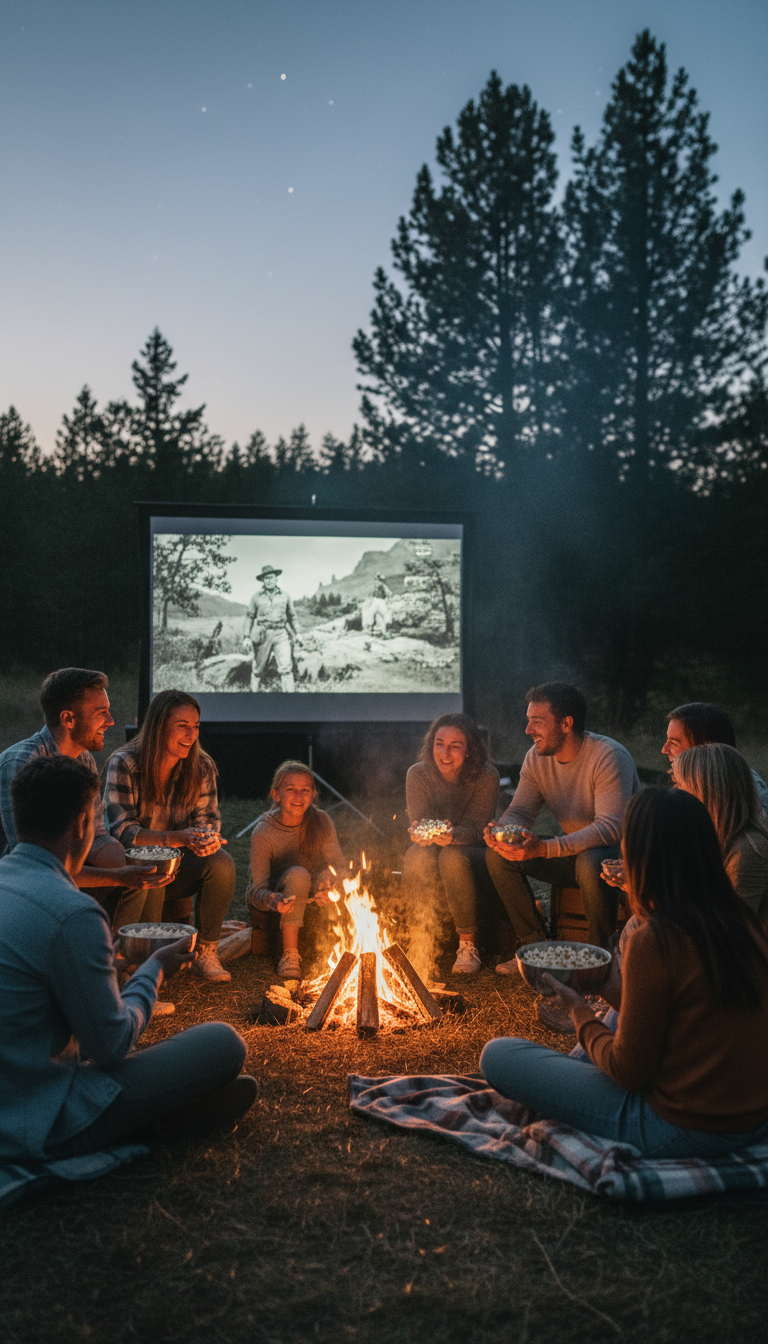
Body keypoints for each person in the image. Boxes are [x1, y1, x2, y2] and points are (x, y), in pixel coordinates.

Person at [481, 787, 768, 1158]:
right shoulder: (738, 918)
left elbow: (628, 1071)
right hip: (752, 1119)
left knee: (499, 1056)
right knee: (617, 1014)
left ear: (640, 854)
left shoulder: (657, 938)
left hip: (684, 1127)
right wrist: (605, 986)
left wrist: (577, 1009)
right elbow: (689, 1021)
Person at [0, 755, 256, 1162]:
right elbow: (110, 1045)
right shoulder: (74, 913)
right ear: (84, 824)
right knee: (224, 1043)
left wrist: (103, 971)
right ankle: (145, 1123)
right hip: (36, 1116)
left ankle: (158, 1115)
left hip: (19, 1077)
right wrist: (152, 971)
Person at [0, 668, 173, 930]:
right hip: (20, 890)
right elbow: (33, 866)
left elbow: (98, 834)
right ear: (68, 719)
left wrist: (135, 864)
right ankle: (106, 962)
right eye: (101, 712)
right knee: (127, 880)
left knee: (143, 879)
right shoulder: (23, 764)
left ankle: (130, 955)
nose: (111, 721)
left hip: (58, 871)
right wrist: (117, 877)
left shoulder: (83, 759)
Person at [484, 682, 639, 962]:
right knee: (498, 857)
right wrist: (501, 832)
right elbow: (520, 811)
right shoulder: (536, 758)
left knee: (591, 861)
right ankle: (533, 946)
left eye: (537, 722)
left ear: (566, 724)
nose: (528, 730)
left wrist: (545, 849)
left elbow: (610, 828)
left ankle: (600, 957)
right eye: (528, 721)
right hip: (573, 855)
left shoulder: (608, 756)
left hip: (620, 859)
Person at [104, 690, 236, 984]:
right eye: (182, 725)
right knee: (155, 863)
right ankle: (136, 964)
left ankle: (205, 951)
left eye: (196, 726)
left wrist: (206, 839)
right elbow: (124, 833)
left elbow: (207, 823)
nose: (191, 734)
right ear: (160, 725)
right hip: (132, 869)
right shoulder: (125, 764)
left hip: (180, 867)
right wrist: (179, 837)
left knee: (222, 862)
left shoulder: (201, 767)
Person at [403, 713, 499, 973]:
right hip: (434, 845)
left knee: (453, 856)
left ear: (469, 750)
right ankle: (417, 937)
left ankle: (468, 945)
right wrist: (421, 834)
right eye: (439, 743)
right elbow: (419, 821)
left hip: (474, 849)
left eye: (455, 746)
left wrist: (453, 836)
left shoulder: (486, 775)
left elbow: (477, 828)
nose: (445, 752)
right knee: (415, 856)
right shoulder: (418, 774)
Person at [245, 760, 345, 979]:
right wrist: (273, 899)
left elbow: (340, 867)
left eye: (305, 790)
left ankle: (343, 947)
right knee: (299, 874)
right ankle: (289, 955)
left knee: (324, 874)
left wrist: (331, 880)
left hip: (310, 892)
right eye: (291, 790)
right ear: (276, 794)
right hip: (279, 894)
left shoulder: (321, 821)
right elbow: (256, 891)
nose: (298, 797)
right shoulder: (263, 832)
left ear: (313, 794)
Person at [672, 744, 768, 926]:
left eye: (680, 784)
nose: (675, 790)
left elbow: (730, 929)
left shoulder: (749, 849)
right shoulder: (707, 834)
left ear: (706, 790)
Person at [662, 701, 768, 810]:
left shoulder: (750, 795)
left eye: (674, 743)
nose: (664, 750)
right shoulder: (687, 786)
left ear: (705, 748)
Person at [242, 565, 300, 692]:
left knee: (286, 668)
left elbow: (292, 616)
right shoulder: (256, 597)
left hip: (281, 634)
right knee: (257, 669)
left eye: (271, 577)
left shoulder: (285, 596)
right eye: (266, 578)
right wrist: (246, 637)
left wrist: (298, 633)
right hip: (263, 635)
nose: (269, 580)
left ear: (276, 579)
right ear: (263, 580)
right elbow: (249, 617)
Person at [362, 572, 393, 637]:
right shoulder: (376, 586)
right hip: (375, 600)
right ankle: (369, 628)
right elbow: (372, 594)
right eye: (376, 579)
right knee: (370, 612)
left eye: (378, 579)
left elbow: (389, 593)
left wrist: (388, 600)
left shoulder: (382, 585)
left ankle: (386, 629)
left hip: (381, 601)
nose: (377, 581)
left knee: (385, 613)